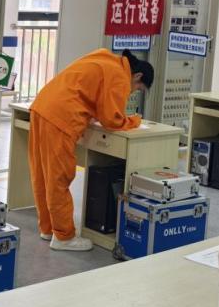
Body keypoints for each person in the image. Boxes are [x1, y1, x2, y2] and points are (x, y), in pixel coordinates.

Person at [28, 49, 153, 251]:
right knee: (59, 177)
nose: (133, 92)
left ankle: (49, 228)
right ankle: (64, 237)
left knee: (43, 174)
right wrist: (135, 121)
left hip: (42, 108)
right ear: (137, 76)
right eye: (138, 88)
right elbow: (113, 120)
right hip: (61, 117)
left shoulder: (105, 59)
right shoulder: (120, 76)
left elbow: (89, 93)